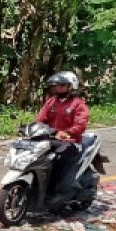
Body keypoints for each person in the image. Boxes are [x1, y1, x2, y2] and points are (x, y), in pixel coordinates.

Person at [36, 71, 89, 209]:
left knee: (57, 159)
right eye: (56, 86)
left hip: (70, 143)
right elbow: (41, 120)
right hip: (51, 139)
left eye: (62, 85)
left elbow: (80, 125)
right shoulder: (51, 102)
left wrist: (67, 132)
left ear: (70, 86)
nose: (58, 88)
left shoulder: (78, 104)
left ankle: (59, 192)